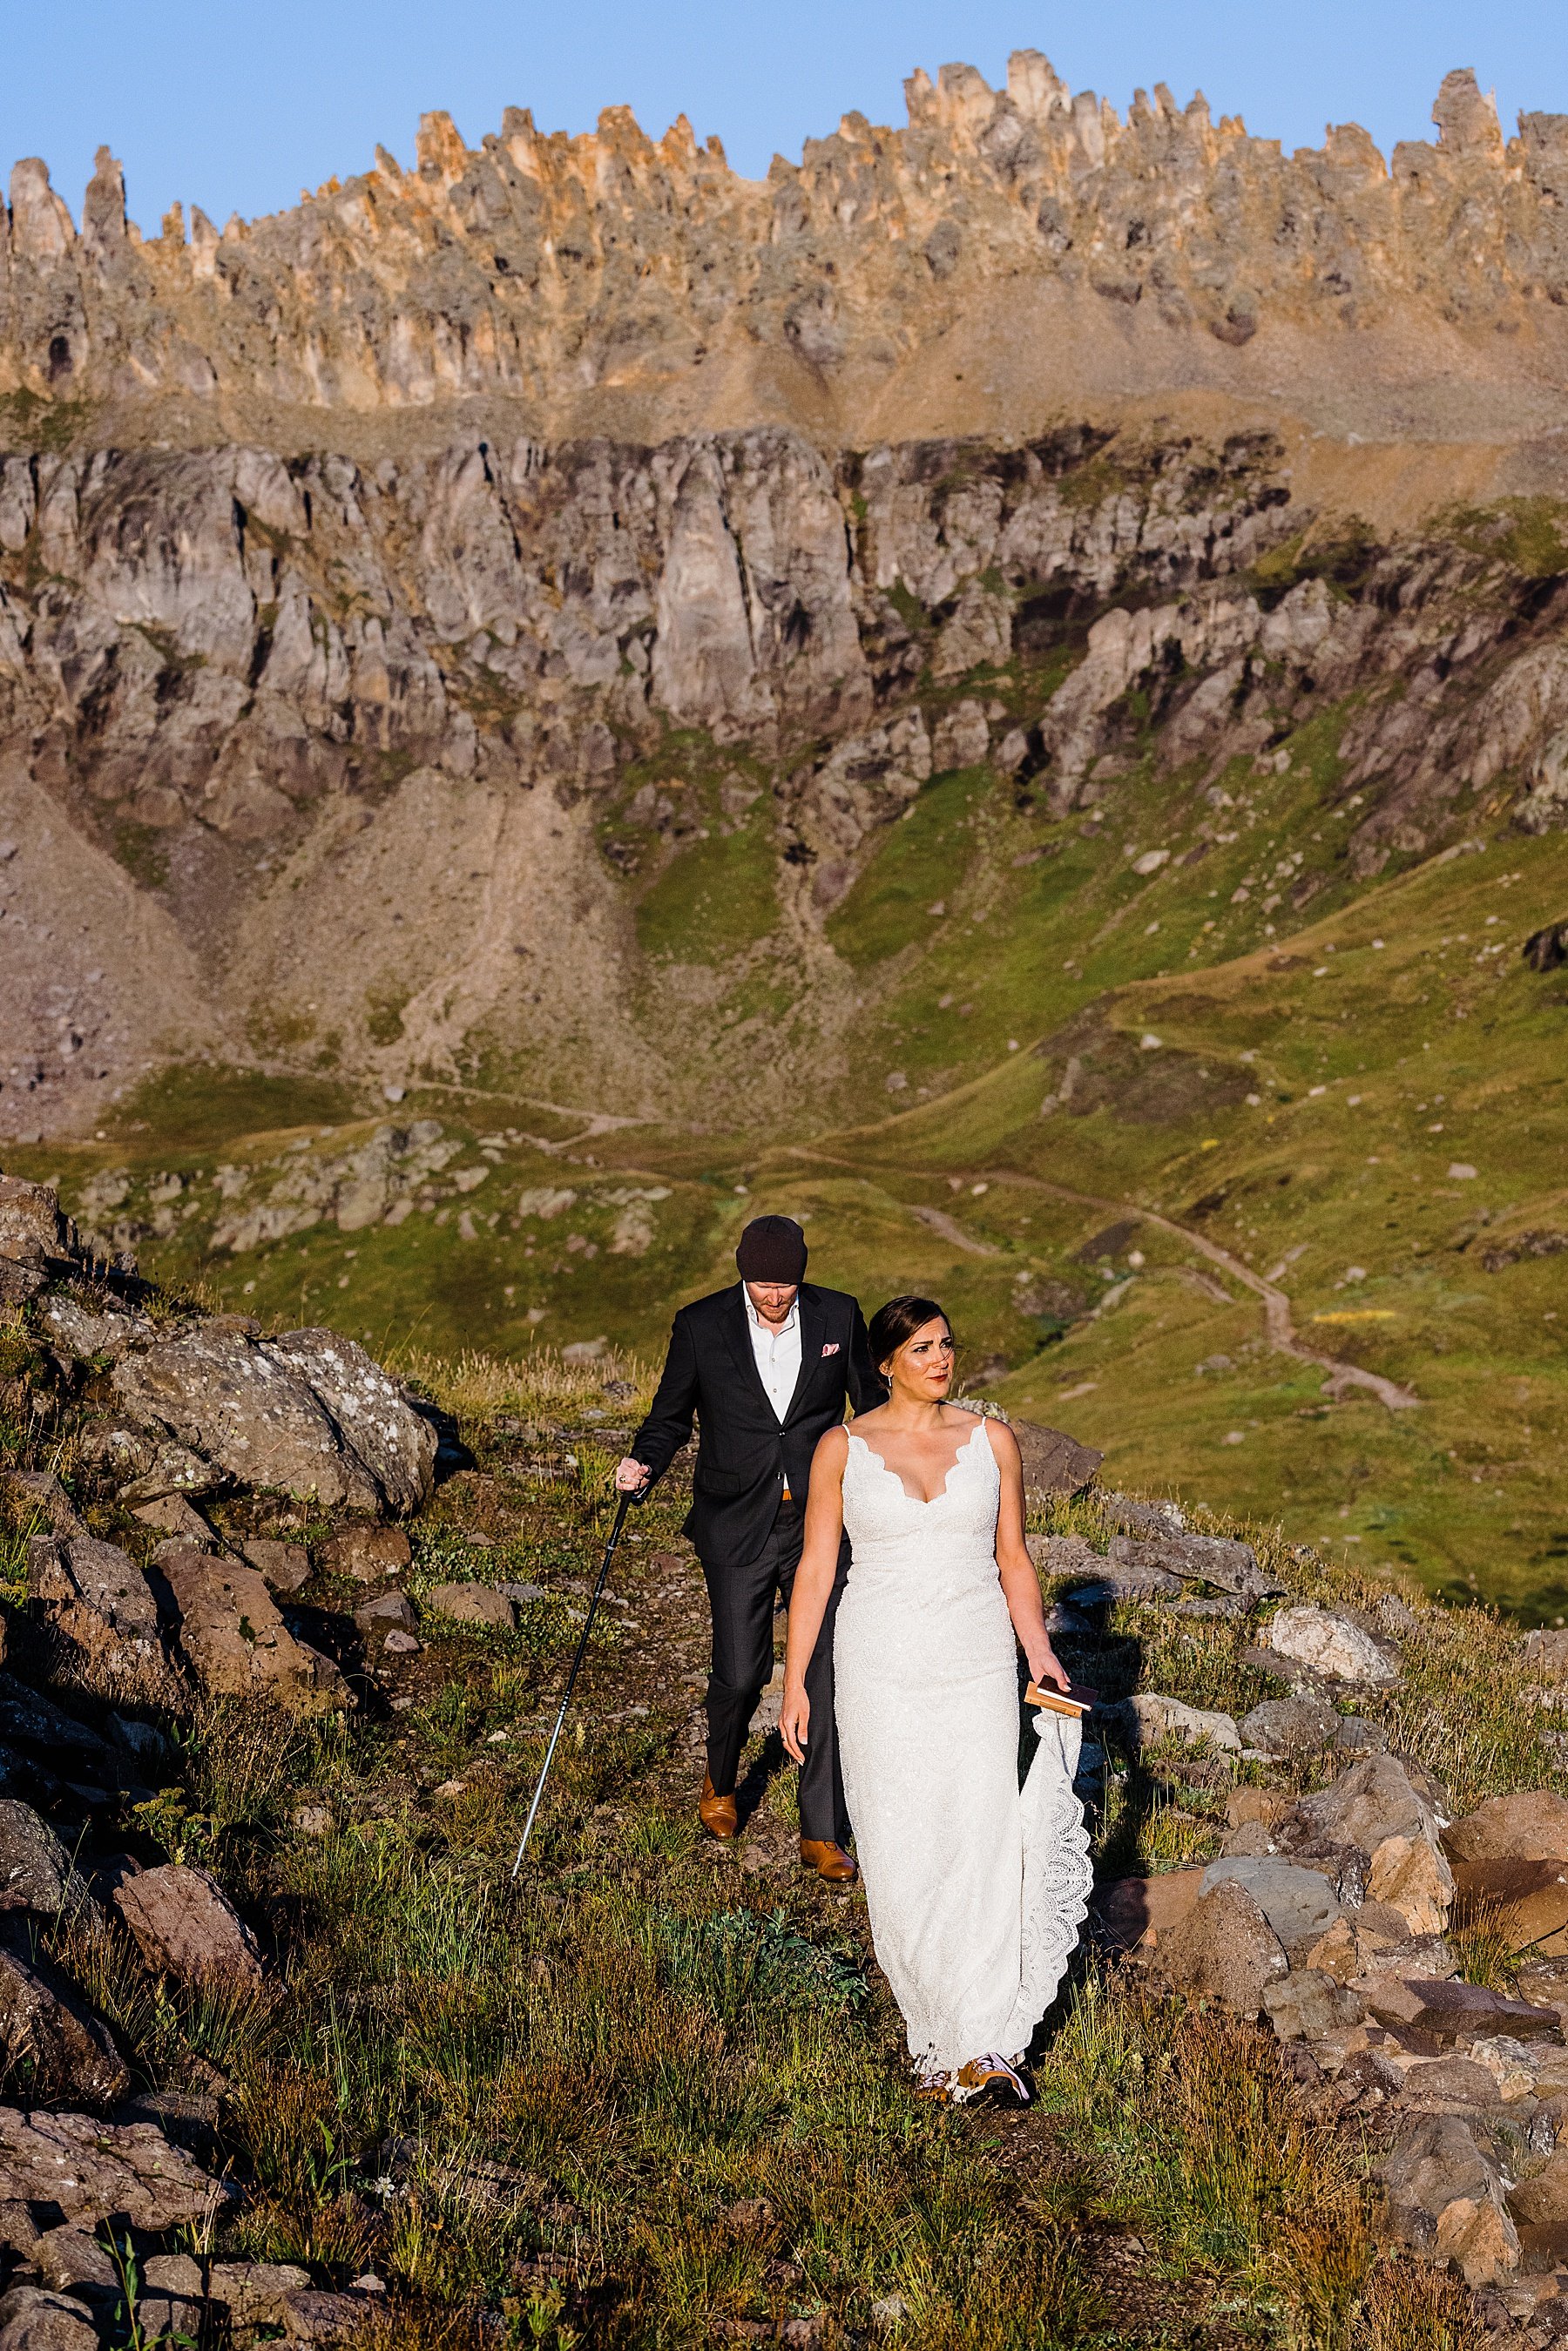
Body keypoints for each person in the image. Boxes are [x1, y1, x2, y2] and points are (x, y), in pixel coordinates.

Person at [779, 1294, 1092, 2101]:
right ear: (884, 1362)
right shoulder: (839, 1448)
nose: (940, 1360)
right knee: (899, 1843)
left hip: (974, 1660)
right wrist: (794, 1680)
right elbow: (816, 1568)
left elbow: (1014, 1559)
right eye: (920, 1349)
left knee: (979, 1833)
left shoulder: (994, 1442)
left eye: (946, 1345)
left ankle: (987, 2041)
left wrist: (1040, 1651)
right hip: (878, 1662)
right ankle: (936, 2032)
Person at [616, 1214, 882, 1881]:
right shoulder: (701, 1325)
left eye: (786, 1284)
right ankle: (721, 1776)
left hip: (821, 1520)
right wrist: (645, 1462)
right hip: (736, 1519)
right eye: (763, 1284)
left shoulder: (839, 1316)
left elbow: (873, 1407)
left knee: (824, 1668)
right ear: (743, 1273)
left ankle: (820, 1828)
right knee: (741, 1671)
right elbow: (670, 1414)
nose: (775, 1296)